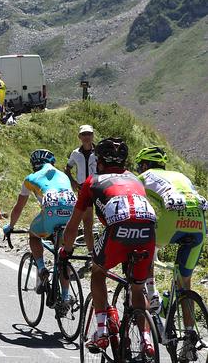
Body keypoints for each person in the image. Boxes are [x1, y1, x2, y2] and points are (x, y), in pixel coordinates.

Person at [61, 138, 157, 355]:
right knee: (137, 287)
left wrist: (66, 251)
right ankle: (146, 340)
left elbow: (73, 226)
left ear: (99, 162)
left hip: (119, 229)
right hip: (148, 229)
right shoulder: (135, 179)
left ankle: (102, 331)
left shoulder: (91, 182)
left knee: (97, 271)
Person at [134, 146, 207, 358]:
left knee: (144, 246)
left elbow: (137, 207)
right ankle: (190, 340)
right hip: (198, 227)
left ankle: (152, 293)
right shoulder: (181, 176)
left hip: (170, 224)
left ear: (144, 165)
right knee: (185, 284)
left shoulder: (143, 176)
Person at [3, 149, 76, 307]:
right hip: (71, 213)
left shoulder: (30, 178)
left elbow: (18, 207)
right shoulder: (63, 175)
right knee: (64, 256)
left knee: (34, 235)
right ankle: (65, 297)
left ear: (34, 165)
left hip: (51, 213)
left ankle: (42, 267)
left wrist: (10, 226)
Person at [64, 125, 97, 252]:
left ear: (92, 135)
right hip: (83, 189)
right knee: (87, 223)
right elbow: (67, 168)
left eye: (89, 134)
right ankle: (91, 253)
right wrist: (73, 182)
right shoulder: (75, 153)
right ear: (80, 137)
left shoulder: (98, 152)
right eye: (84, 134)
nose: (87, 137)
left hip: (97, 188)